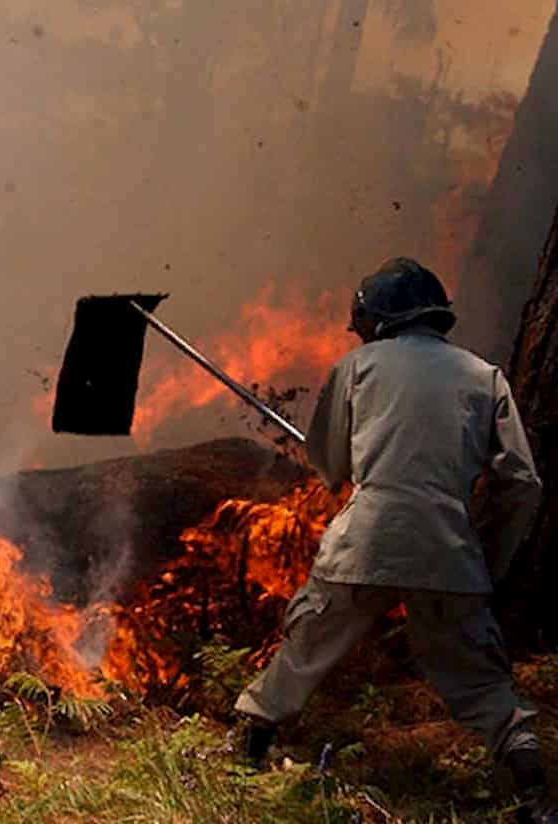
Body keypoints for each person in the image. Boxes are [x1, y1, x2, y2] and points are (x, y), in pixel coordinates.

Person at [233, 258, 554, 823]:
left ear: (377, 319)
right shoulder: (485, 377)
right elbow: (523, 483)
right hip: (449, 552)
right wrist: (490, 557)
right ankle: (534, 793)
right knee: (483, 682)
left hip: (363, 546)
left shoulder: (357, 367)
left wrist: (355, 465)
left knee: (305, 650)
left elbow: (330, 465)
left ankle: (246, 756)